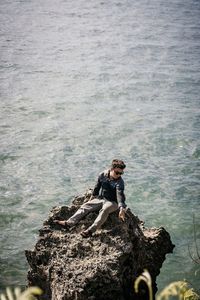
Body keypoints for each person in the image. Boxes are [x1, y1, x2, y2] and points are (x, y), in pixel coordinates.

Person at [54, 159, 127, 237]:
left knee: (105, 210)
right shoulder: (103, 175)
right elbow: (97, 187)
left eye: (121, 173)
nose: (119, 175)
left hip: (113, 202)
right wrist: (92, 198)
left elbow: (120, 194)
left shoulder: (120, 182)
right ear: (111, 169)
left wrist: (121, 208)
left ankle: (90, 231)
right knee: (86, 206)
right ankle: (69, 223)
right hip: (102, 198)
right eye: (117, 173)